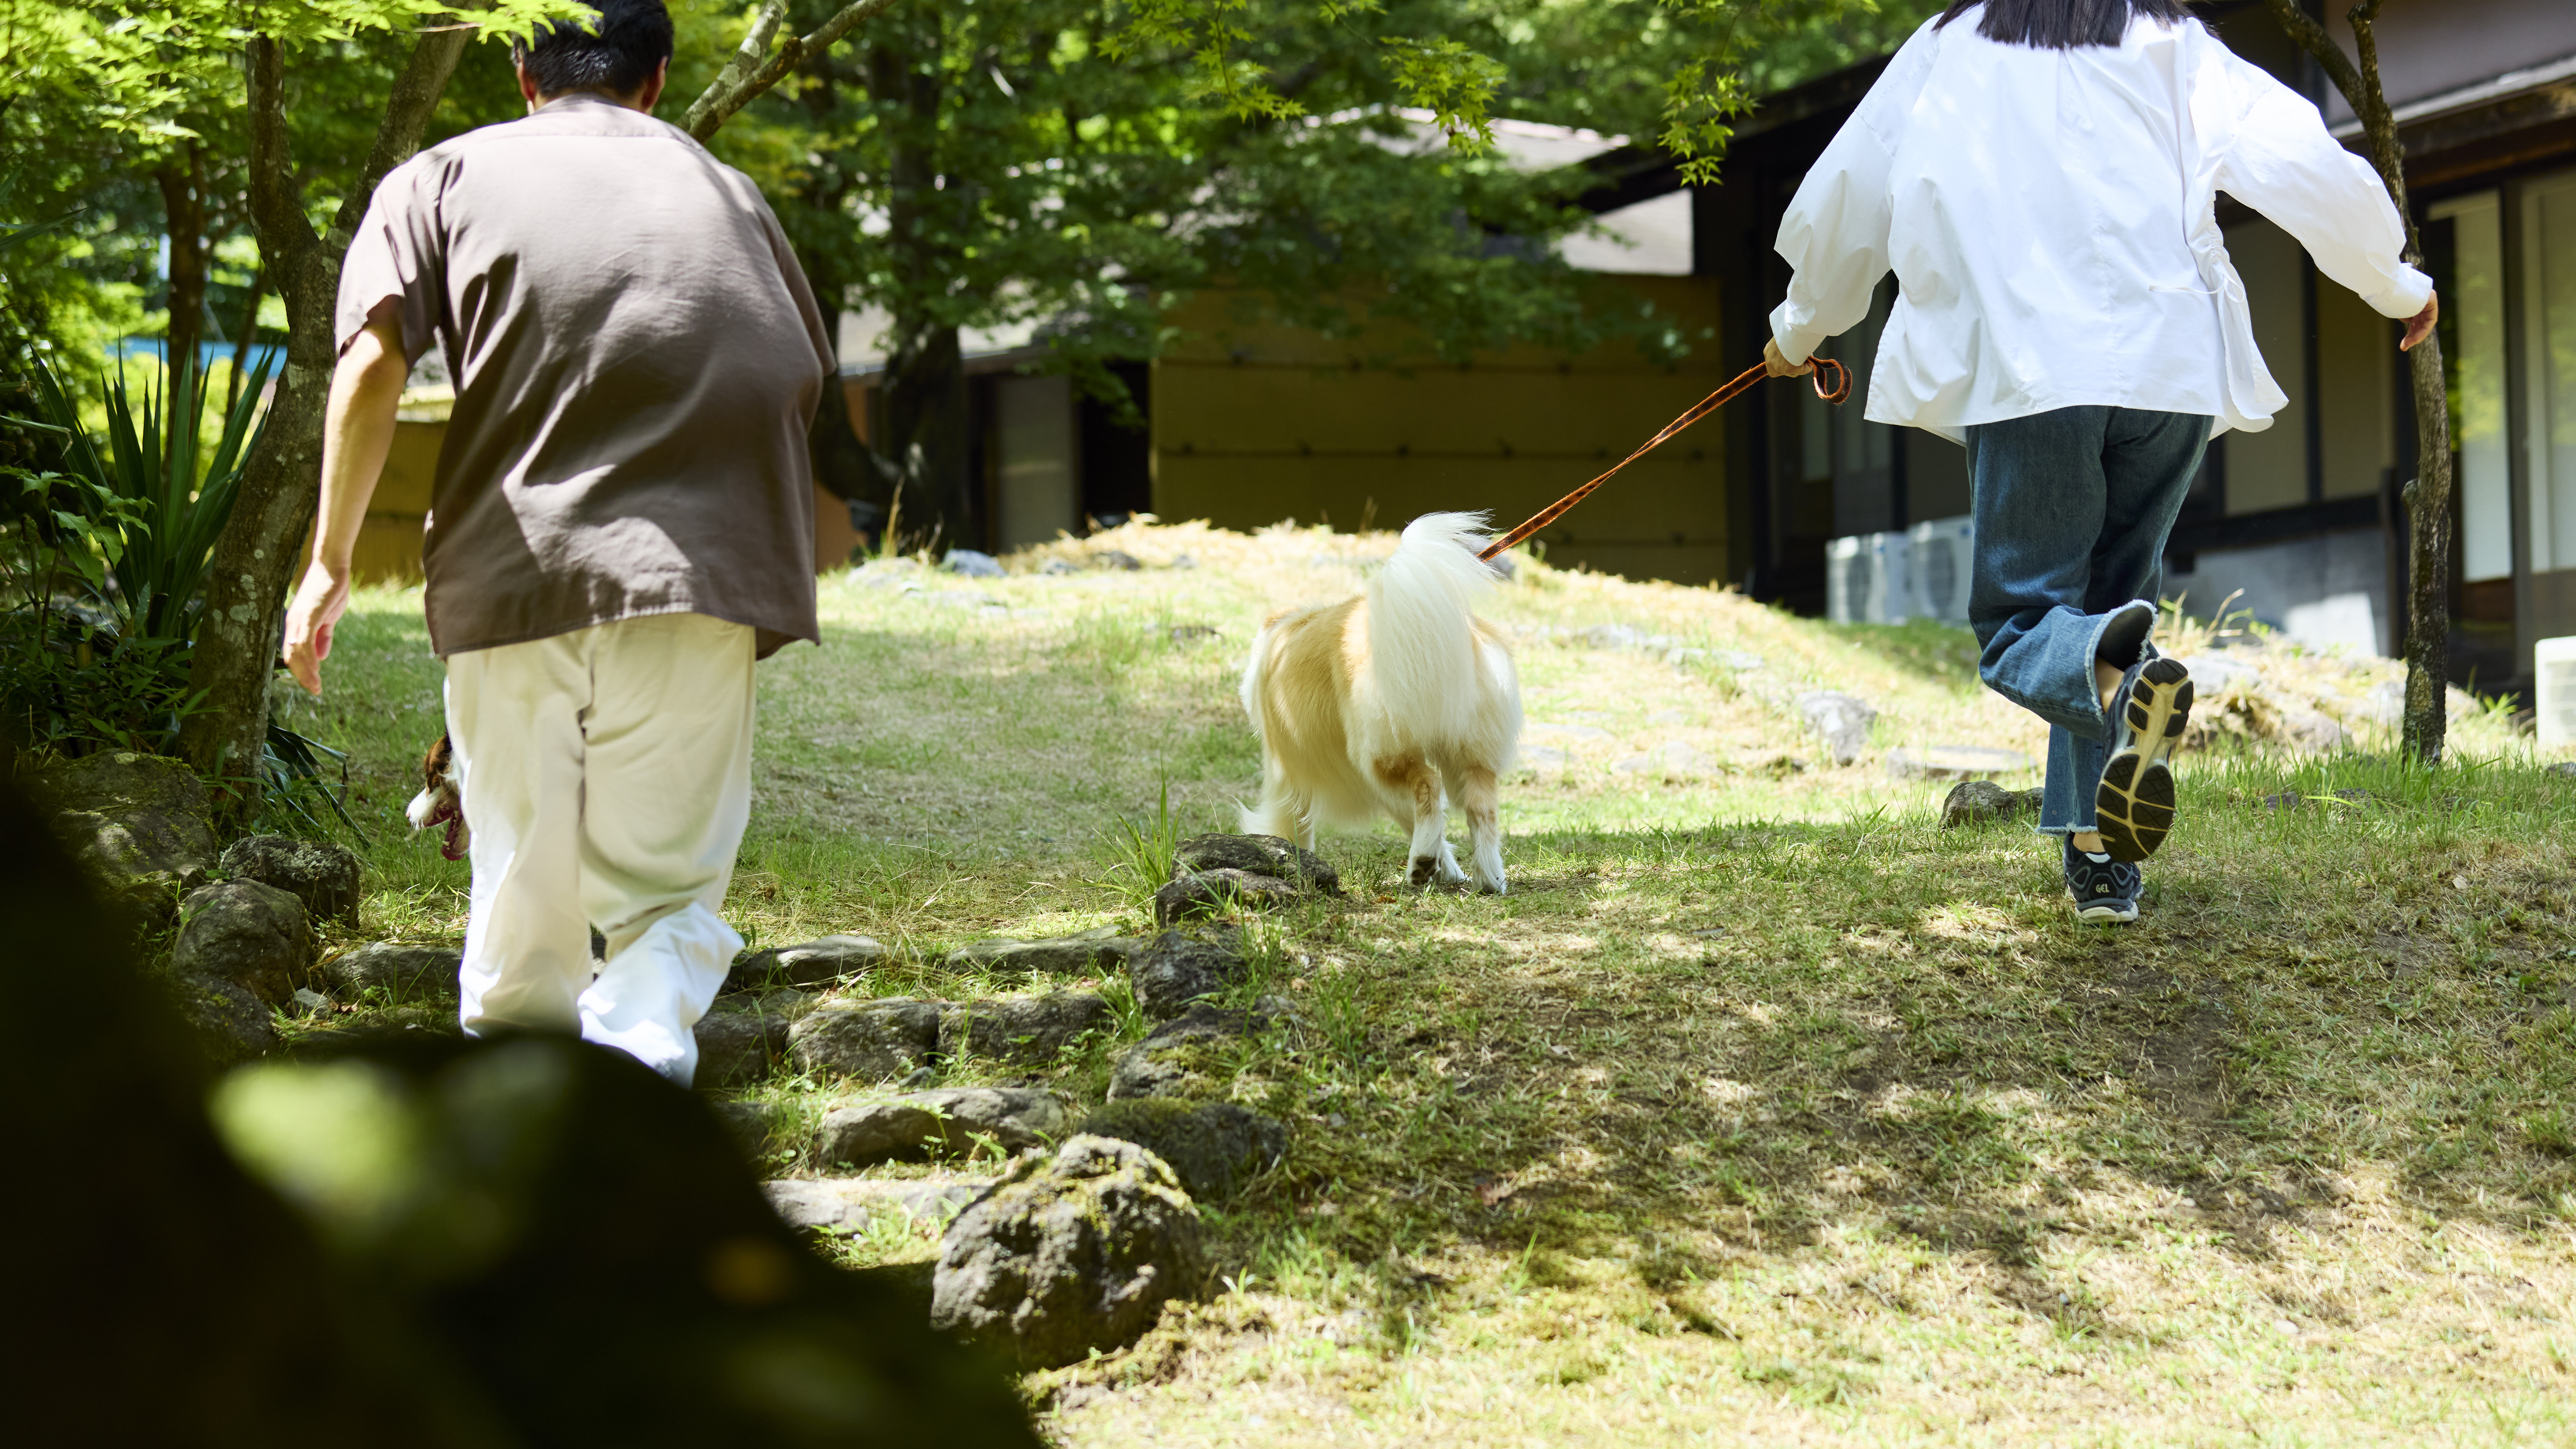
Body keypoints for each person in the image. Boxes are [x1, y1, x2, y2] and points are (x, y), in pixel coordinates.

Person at [1761, 0, 2437, 923]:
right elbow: (2298, 154)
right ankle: (2102, 856)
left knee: (2023, 622)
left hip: (2035, 370)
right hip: (2169, 372)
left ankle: (2124, 682)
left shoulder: (1950, 48)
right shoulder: (2173, 42)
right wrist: (2391, 279)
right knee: (2112, 600)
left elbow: (1849, 199)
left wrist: (1800, 331)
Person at [280, 0, 834, 1078]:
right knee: (667, 903)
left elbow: (371, 365)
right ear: (659, 81)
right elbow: (794, 373)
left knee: (520, 892)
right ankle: (629, 1090)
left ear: (522, 76)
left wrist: (327, 565)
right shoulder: (731, 194)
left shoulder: (438, 179)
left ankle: (515, 1148)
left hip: (513, 576)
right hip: (700, 573)